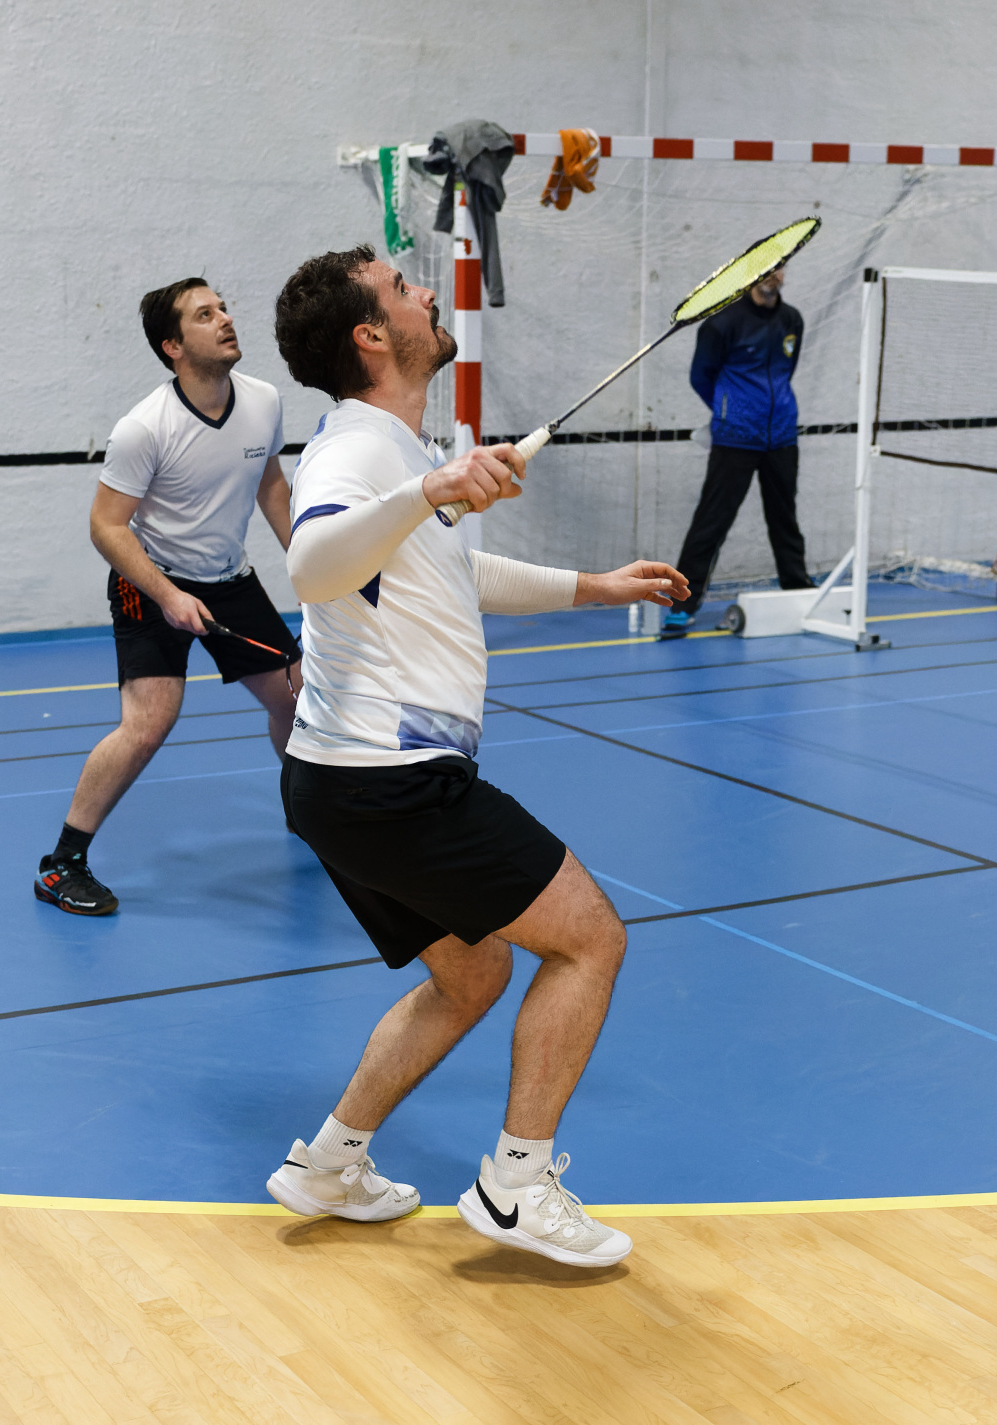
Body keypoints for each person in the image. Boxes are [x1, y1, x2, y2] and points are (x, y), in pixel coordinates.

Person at [263, 244, 688, 1267]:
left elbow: (451, 568)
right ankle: (516, 1185)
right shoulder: (353, 452)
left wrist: (594, 587)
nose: (424, 291)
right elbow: (311, 565)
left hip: (336, 783)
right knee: (589, 941)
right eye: (401, 287)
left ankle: (330, 1162)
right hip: (395, 781)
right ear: (372, 336)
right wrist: (431, 487)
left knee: (472, 974)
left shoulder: (397, 452)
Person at [34, 277, 303, 916]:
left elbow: (270, 484)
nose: (225, 319)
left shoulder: (263, 401)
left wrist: (310, 562)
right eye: (204, 315)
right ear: (172, 347)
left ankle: (309, 812)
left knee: (295, 701)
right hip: (149, 581)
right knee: (149, 723)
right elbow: (106, 527)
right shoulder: (144, 428)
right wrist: (168, 596)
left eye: (223, 308)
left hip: (229, 579)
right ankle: (61, 865)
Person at [660, 263, 812, 637]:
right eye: (766, 269)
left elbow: (786, 370)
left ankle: (799, 591)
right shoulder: (722, 323)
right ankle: (682, 604)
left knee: (785, 520)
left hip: (781, 438)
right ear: (751, 273)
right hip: (735, 439)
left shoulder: (792, 319)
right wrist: (731, 410)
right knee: (711, 522)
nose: (773, 275)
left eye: (779, 268)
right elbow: (701, 376)